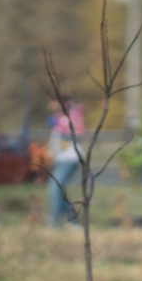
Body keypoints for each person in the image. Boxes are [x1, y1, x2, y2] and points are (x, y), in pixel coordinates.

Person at [46, 97, 86, 227]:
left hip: (70, 157)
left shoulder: (70, 115)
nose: (49, 105)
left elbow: (76, 135)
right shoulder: (61, 116)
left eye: (52, 101)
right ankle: (72, 221)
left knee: (54, 187)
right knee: (58, 189)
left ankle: (54, 222)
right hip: (63, 158)